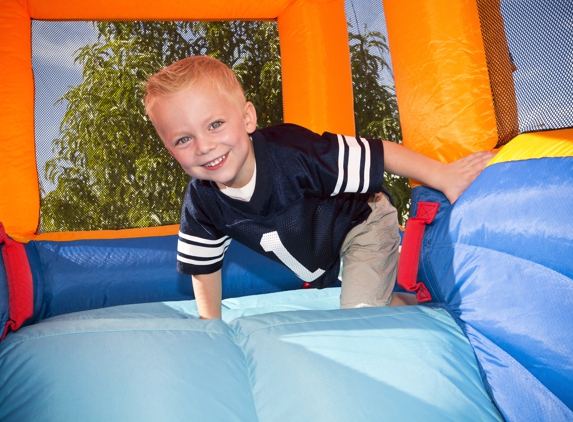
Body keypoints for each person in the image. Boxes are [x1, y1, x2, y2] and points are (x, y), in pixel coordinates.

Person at [144, 56, 495, 319]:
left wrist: (444, 176)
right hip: (321, 248)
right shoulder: (202, 200)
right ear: (169, 149)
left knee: (358, 318)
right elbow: (204, 267)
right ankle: (416, 305)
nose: (204, 146)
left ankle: (404, 303)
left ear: (247, 118)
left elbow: (378, 152)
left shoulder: (293, 153)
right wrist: (212, 327)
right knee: (372, 300)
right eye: (184, 139)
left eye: (215, 124)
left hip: (362, 222)